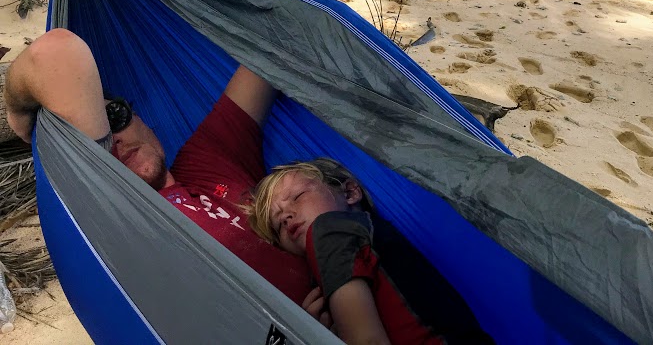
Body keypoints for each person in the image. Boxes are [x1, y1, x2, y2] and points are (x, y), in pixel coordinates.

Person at [2, 28, 315, 308]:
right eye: (101, 134)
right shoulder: (111, 215)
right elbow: (54, 52)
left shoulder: (206, 161)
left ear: (143, 120)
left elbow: (277, 39)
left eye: (115, 117)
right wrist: (24, 123)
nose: (116, 143)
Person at [247, 158, 492, 345]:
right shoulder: (379, 244)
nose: (287, 216)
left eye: (298, 197)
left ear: (350, 192)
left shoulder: (328, 230)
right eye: (278, 224)